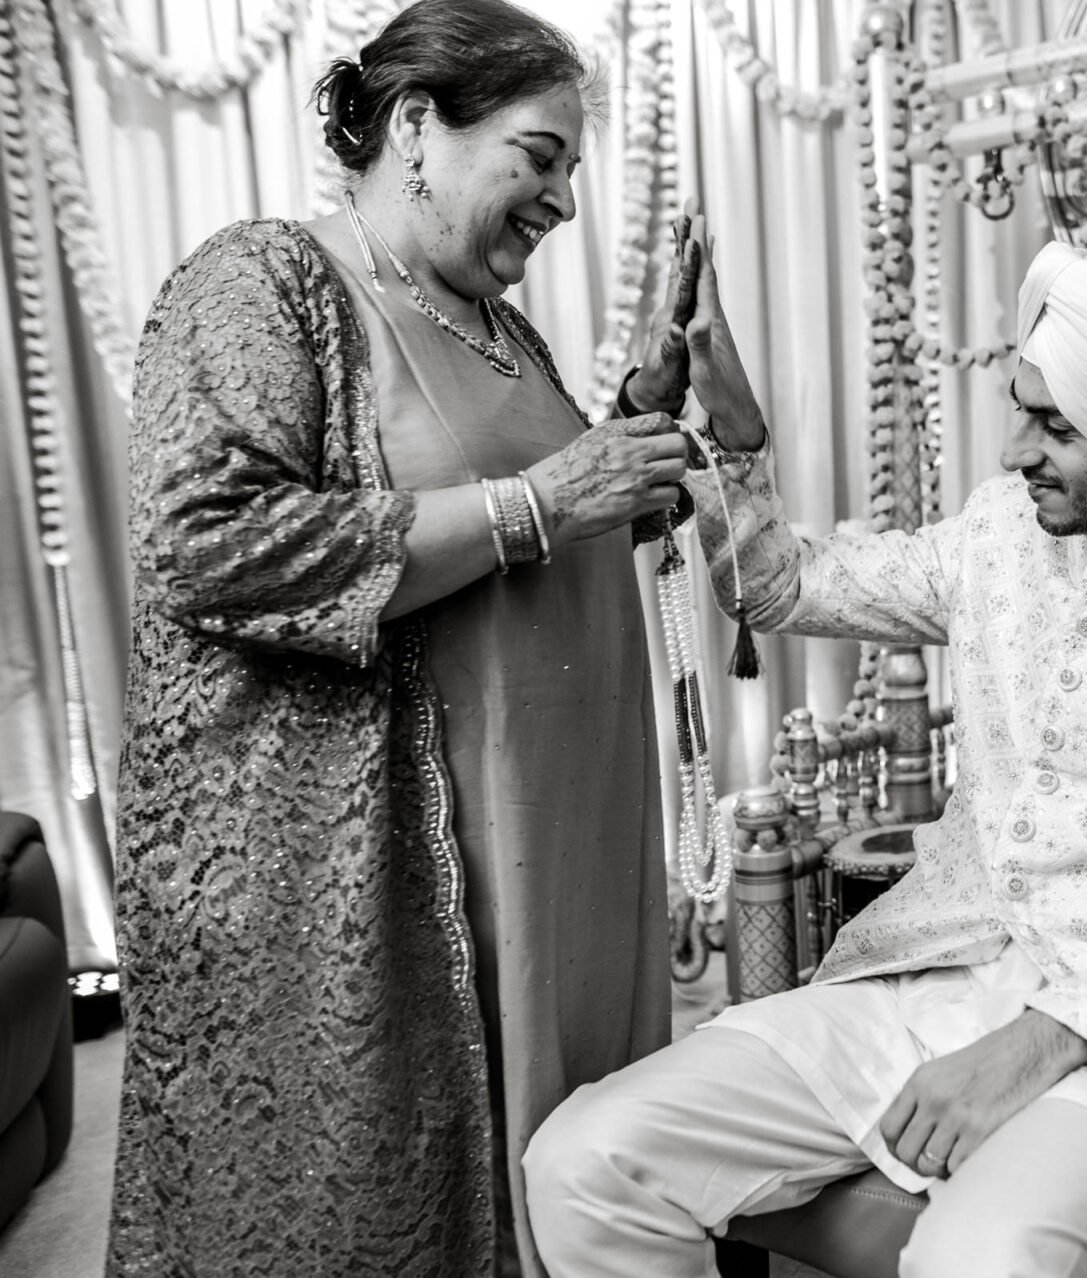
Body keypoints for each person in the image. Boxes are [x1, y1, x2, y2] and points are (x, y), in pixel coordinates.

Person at [523, 239, 1087, 1278]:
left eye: (1055, 425)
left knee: (978, 1262)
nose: (1015, 450)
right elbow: (784, 586)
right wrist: (735, 441)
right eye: (1023, 409)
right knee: (586, 1157)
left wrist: (1046, 1038)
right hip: (933, 979)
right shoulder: (998, 535)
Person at [107, 3, 699, 1274]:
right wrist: (545, 499)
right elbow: (204, 542)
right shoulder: (263, 281)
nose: (561, 205)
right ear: (417, 126)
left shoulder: (501, 326)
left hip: (562, 862)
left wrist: (632, 444)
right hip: (385, 874)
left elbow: (517, 534)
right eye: (538, 160)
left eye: (572, 176)